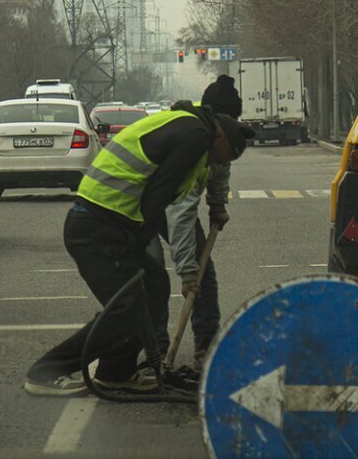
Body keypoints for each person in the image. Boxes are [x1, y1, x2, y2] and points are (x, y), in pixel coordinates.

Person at [23, 105, 247, 396]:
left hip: (111, 224)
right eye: (223, 155)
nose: (218, 162)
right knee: (125, 309)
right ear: (219, 136)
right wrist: (144, 241)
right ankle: (46, 371)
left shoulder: (189, 127)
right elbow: (162, 193)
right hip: (97, 225)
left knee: (154, 288)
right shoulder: (196, 135)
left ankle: (116, 373)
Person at [160, 75, 245, 370]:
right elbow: (180, 211)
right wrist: (186, 273)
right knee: (151, 276)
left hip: (165, 201)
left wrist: (218, 205)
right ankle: (157, 351)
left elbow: (221, 168)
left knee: (204, 274)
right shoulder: (193, 134)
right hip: (136, 204)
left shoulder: (217, 132)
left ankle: (206, 349)